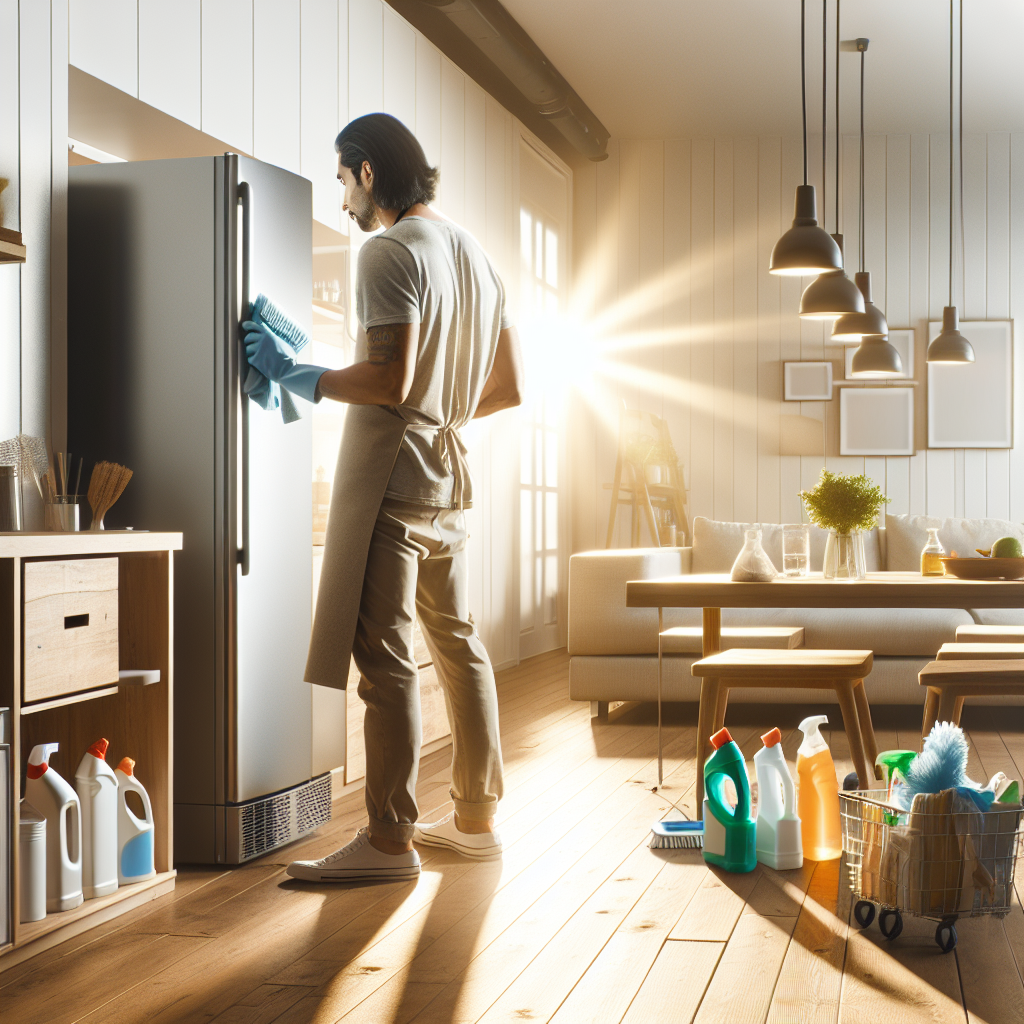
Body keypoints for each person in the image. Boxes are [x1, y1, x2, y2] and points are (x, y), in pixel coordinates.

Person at [243, 113, 523, 882]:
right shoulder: (479, 258)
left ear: (367, 171)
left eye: (341, 179)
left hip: (390, 482)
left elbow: (389, 380)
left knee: (387, 657)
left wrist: (300, 374)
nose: (341, 201)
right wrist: (443, 408)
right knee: (459, 646)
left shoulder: (388, 251)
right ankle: (474, 820)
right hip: (448, 477)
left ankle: (390, 840)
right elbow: (508, 388)